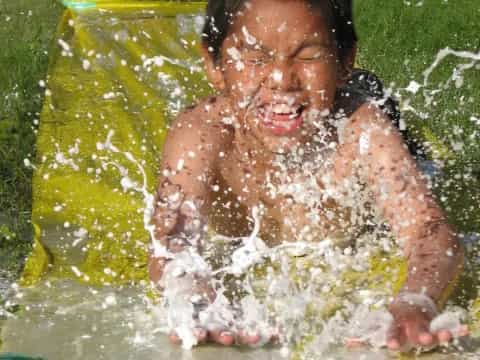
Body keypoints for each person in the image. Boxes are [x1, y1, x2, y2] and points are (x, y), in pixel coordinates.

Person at [148, 0, 466, 350]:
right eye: (255, 58)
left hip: (361, 106)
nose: (282, 79)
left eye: (309, 55)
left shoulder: (361, 131)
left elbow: (428, 231)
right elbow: (172, 243)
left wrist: (416, 301)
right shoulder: (201, 134)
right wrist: (196, 301)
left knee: (424, 166)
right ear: (214, 64)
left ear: (345, 60)